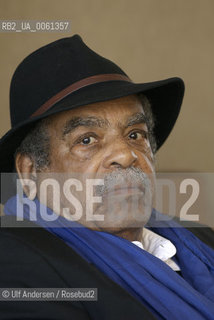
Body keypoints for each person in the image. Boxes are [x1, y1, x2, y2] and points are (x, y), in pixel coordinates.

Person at [0, 35, 214, 320]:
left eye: (135, 134)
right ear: (29, 172)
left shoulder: (202, 237)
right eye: (87, 140)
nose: (126, 155)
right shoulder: (13, 263)